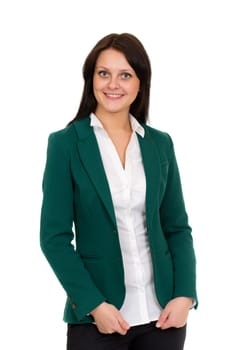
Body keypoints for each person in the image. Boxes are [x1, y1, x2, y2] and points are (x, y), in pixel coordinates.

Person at [40, 32, 198, 350]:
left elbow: (177, 228)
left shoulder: (160, 144)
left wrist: (185, 294)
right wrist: (94, 304)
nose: (113, 84)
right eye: (104, 73)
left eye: (125, 75)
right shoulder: (66, 144)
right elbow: (54, 238)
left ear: (141, 82)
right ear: (91, 79)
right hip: (99, 318)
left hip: (164, 318)